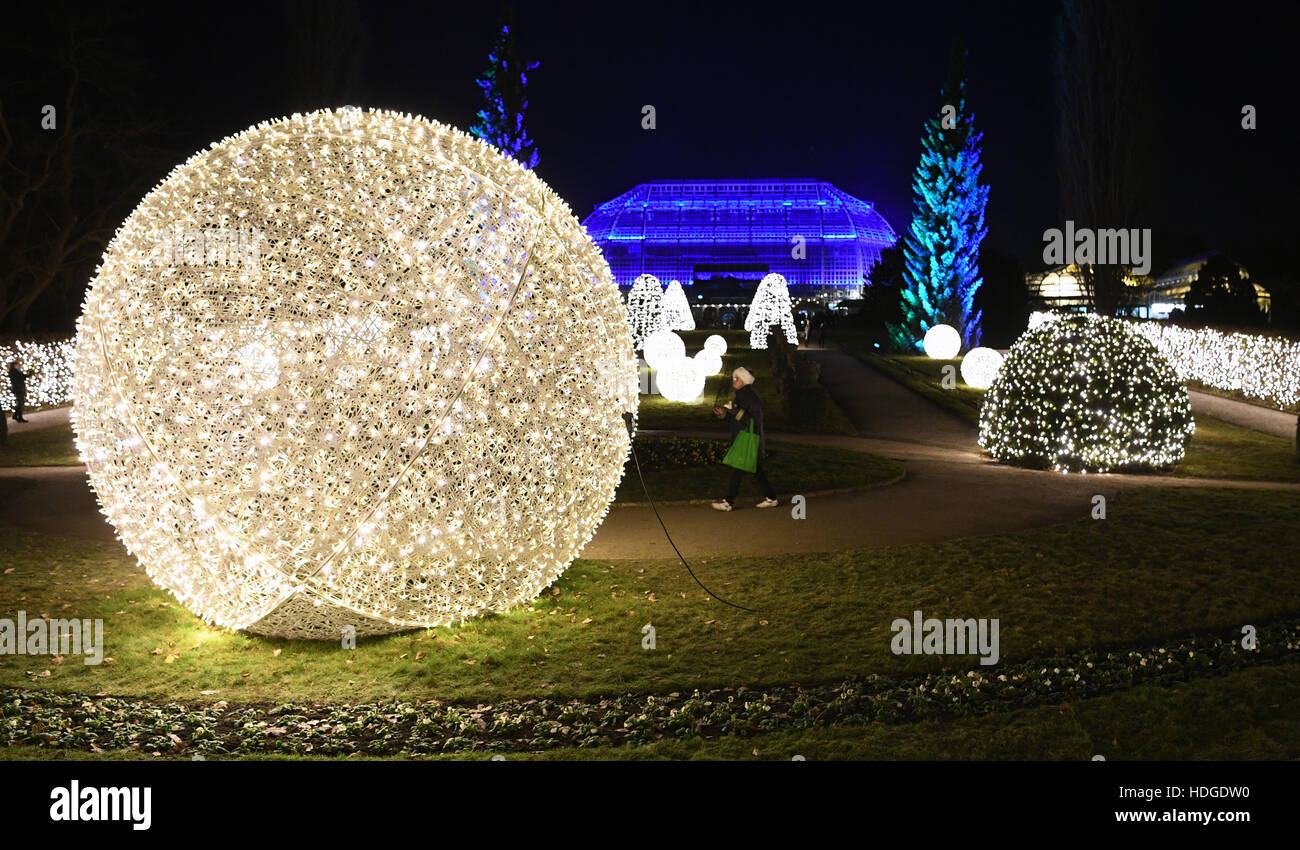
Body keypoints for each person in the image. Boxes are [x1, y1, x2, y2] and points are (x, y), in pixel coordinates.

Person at [711, 366, 778, 511]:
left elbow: (753, 419)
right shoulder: (742, 395)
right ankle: (771, 497)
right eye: (734, 378)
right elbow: (738, 419)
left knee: (739, 469)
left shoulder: (749, 397)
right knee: (756, 470)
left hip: (748, 439)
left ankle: (728, 502)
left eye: (737, 378)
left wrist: (733, 410)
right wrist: (723, 414)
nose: (734, 381)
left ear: (744, 381)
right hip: (746, 438)